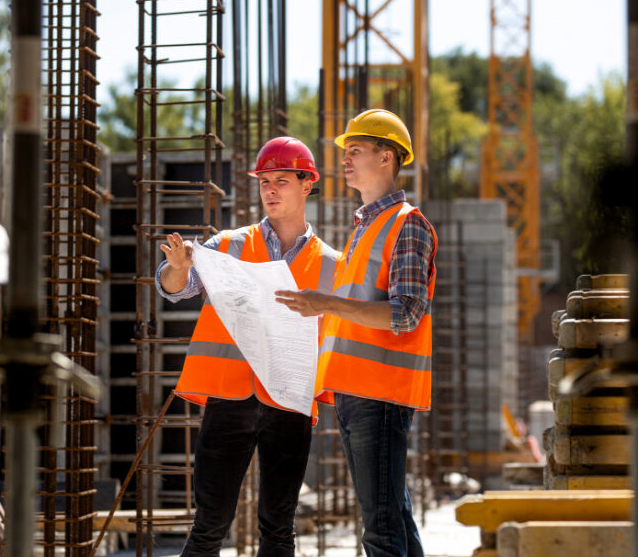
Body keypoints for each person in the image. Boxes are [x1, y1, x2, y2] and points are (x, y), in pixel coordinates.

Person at [156, 137, 337, 557]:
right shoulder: (228, 245)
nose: (270, 190)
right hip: (229, 396)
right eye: (264, 182)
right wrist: (178, 269)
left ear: (307, 184)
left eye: (281, 181)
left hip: (289, 404)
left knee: (278, 529)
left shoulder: (331, 264)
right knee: (209, 525)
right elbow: (175, 288)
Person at [275, 109, 437, 557]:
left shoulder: (407, 224)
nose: (344, 160)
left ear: (387, 157)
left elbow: (405, 314)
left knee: (381, 530)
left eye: (356, 151)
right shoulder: (365, 227)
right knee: (394, 518)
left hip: (380, 393)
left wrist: (324, 303)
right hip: (354, 391)